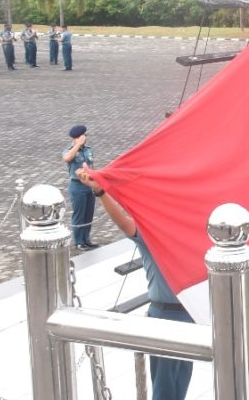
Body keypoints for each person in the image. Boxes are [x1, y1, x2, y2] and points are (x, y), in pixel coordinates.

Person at [74, 168, 195, 400]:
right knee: (165, 389)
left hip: (189, 315)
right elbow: (123, 222)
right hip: (164, 315)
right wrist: (100, 192)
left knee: (181, 384)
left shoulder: (188, 234)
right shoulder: (151, 234)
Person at [62, 125, 98, 250]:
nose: (85, 138)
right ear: (77, 138)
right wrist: (77, 145)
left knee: (88, 214)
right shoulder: (70, 150)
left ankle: (86, 239)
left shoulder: (88, 149)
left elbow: (91, 165)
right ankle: (78, 241)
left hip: (89, 185)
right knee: (79, 214)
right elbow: (67, 158)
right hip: (77, 186)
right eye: (83, 136)